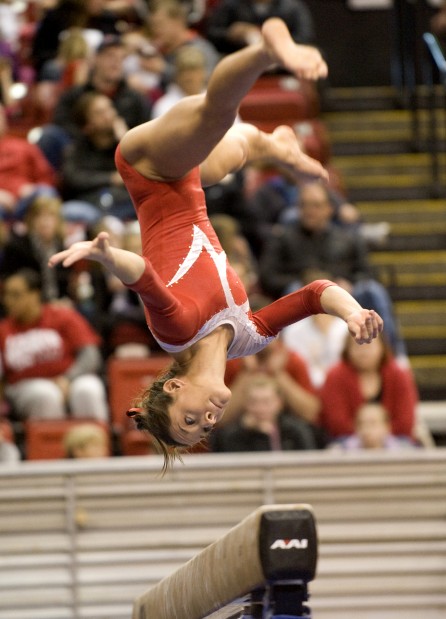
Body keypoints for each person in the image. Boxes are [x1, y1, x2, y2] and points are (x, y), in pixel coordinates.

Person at [49, 18, 383, 471]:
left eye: (191, 418)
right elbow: (313, 293)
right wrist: (353, 312)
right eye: (204, 428)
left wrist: (105, 254)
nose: (208, 419)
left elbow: (145, 278)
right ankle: (274, 145)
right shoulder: (248, 339)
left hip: (149, 171)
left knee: (215, 115)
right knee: (235, 149)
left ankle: (267, 51)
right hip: (192, 185)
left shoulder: (178, 331)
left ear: (173, 387)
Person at [258, 179, 406, 357]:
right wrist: (305, 285)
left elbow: (368, 273)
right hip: (301, 296)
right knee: (292, 289)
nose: (310, 211)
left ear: (329, 209)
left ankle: (393, 357)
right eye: (304, 205)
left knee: (373, 290)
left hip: (345, 294)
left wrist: (348, 283)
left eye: (316, 205)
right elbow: (267, 277)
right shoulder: (283, 238)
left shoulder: (348, 238)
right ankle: (291, 360)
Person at [0, 269, 109, 423]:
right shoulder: (3, 330)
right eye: (6, 295)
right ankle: (53, 446)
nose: (8, 301)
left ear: (35, 294)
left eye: (15, 295)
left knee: (88, 389)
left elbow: (91, 355)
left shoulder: (62, 316)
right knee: (45, 395)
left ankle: (94, 446)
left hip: (69, 377)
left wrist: (67, 379)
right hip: (24, 387)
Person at [36, 35, 153, 171]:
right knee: (50, 135)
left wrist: (119, 136)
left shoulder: (135, 99)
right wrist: (90, 134)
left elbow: (146, 132)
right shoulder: (76, 94)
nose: (116, 63)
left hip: (118, 152)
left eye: (122, 58)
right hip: (80, 151)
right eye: (110, 56)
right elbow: (60, 122)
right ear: (95, 59)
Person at [319, 333, 417, 444]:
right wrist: (366, 435)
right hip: (347, 440)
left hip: (394, 438)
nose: (364, 352)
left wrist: (378, 435)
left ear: (382, 347)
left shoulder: (399, 374)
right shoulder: (335, 376)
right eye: (358, 346)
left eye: (369, 346)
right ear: (348, 349)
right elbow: (336, 423)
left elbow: (405, 421)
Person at [61, 91, 135, 223]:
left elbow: (143, 173)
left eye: (110, 109)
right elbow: (72, 178)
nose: (109, 115)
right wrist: (111, 178)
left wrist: (125, 141)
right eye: (100, 113)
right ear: (87, 126)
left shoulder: (128, 142)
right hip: (91, 204)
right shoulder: (77, 149)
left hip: (124, 202)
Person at [210, 373, 317, 452]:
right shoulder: (231, 435)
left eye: (266, 402)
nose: (260, 408)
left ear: (279, 403)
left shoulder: (296, 431)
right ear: (246, 404)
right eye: (254, 402)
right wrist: (257, 436)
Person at [0, 103, 58, 221]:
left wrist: (32, 189)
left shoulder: (23, 146)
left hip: (28, 202)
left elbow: (47, 177)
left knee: (46, 194)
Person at [205, 0, 315, 55]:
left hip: (283, 59)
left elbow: (305, 37)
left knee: (314, 54)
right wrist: (230, 34)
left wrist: (277, 40)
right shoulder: (231, 5)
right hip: (240, 57)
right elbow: (212, 34)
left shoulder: (292, 7)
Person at [328, 402, 419, 452]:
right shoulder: (340, 450)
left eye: (373, 423)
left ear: (387, 427)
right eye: (361, 423)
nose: (366, 429)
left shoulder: (406, 449)